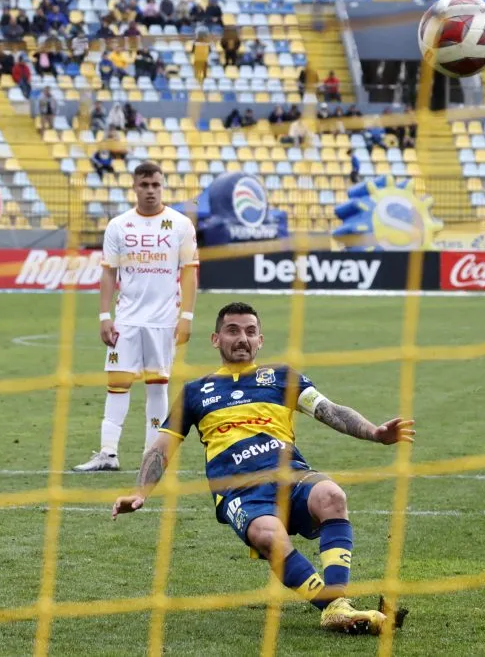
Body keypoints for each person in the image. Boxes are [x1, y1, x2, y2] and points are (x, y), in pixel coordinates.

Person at [111, 302, 415, 634]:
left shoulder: (282, 377)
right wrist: (140, 493)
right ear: (215, 339)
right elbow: (161, 448)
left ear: (260, 340)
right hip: (241, 491)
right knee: (267, 535)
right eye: (233, 330)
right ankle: (333, 607)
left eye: (250, 332)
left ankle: (337, 603)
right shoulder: (196, 392)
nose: (242, 338)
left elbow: (330, 410)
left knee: (332, 495)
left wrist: (373, 433)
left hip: (292, 474)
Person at [74, 162, 200, 472]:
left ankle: (151, 454)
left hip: (163, 321)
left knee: (157, 386)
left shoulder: (181, 224)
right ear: (134, 187)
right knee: (117, 383)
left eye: (156, 185)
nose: (151, 190)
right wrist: (105, 315)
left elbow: (190, 273)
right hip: (127, 319)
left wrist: (187, 315)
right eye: (144, 185)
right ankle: (107, 453)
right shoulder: (119, 225)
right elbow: (108, 272)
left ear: (162, 185)